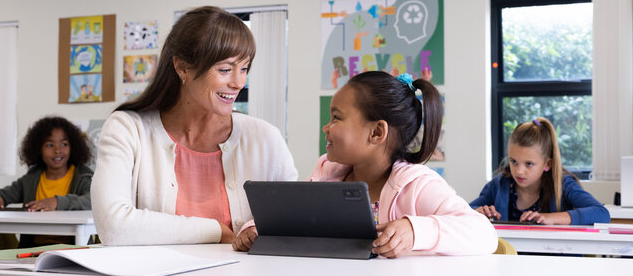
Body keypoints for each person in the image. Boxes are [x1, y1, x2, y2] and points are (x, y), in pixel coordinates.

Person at [91, 6, 298, 246]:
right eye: (225, 69)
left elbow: (292, 223)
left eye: (244, 68)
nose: (238, 82)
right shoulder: (127, 129)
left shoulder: (265, 138)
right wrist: (217, 231)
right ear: (182, 68)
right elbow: (114, 227)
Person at [232, 72, 497, 257]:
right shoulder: (327, 173)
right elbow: (292, 219)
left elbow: (484, 234)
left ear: (376, 133)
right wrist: (254, 229)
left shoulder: (417, 184)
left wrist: (415, 230)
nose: (326, 127)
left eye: (337, 118)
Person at [470, 117, 610, 225]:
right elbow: (463, 211)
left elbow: (601, 213)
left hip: (556, 260)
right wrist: (478, 212)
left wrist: (551, 218)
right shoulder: (499, 184)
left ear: (547, 164)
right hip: (510, 259)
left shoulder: (564, 184)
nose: (519, 171)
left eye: (529, 164)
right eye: (513, 161)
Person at [0, 116, 93, 247]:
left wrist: (57, 202)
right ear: (38, 149)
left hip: (74, 251)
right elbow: (4, 194)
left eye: (64, 144)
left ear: (73, 147)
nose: (57, 150)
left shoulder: (82, 176)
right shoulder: (31, 179)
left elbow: (93, 201)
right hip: (33, 252)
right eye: (50, 145)